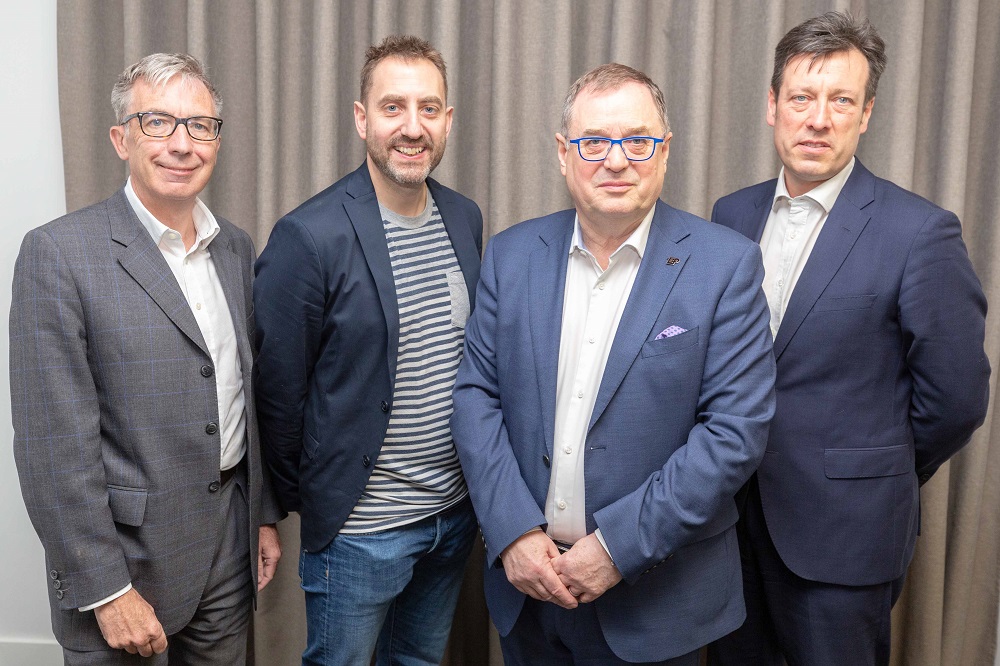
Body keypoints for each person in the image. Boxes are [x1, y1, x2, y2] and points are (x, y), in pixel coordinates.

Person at [450, 63, 776, 665]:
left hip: (657, 601)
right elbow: (475, 396)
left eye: (638, 141)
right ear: (563, 152)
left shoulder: (725, 266)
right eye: (594, 141)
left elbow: (734, 433)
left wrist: (619, 546)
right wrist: (514, 532)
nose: (617, 160)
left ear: (665, 149)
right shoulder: (512, 254)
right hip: (530, 588)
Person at [707, 12, 990, 666]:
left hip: (843, 539)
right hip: (726, 532)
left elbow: (955, 399)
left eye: (841, 101)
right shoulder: (730, 215)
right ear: (772, 107)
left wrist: (875, 468)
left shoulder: (920, 233)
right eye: (803, 98)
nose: (818, 118)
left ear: (865, 115)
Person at [10, 53, 283, 664]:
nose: (182, 144)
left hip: (227, 552)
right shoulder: (57, 254)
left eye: (200, 126)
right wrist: (106, 591)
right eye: (158, 123)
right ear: (121, 138)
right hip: (127, 563)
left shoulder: (235, 248)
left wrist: (260, 515)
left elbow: (244, 395)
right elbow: (52, 448)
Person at [253, 35, 482, 666]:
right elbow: (278, 393)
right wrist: (324, 498)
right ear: (361, 119)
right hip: (360, 533)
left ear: (447, 120)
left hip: (451, 514)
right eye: (393, 108)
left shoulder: (465, 218)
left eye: (429, 109)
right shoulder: (309, 235)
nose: (413, 128)